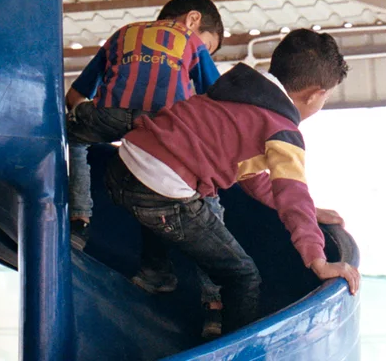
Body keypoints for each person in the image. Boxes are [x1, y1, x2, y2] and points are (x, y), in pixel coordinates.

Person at [105, 28, 360, 338]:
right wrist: (318, 260)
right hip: (159, 189)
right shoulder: (282, 129)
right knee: (242, 276)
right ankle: (232, 350)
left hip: (122, 165)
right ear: (315, 94)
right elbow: (292, 191)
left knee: (170, 201)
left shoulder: (235, 89)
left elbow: (254, 179)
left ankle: (154, 274)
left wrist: (312, 211)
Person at [66, 0, 223, 235]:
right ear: (192, 20)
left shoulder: (124, 32)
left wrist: (82, 114)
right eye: (208, 46)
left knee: (75, 138)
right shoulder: (190, 41)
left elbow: (74, 96)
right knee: (204, 157)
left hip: (111, 115)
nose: (206, 51)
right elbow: (218, 99)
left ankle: (79, 213)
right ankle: (215, 224)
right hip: (161, 124)